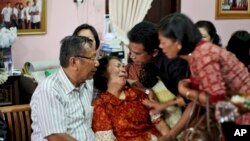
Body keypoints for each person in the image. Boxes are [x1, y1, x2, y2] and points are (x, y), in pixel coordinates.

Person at [157, 13, 250, 106]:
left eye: (163, 42)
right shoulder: (196, 53)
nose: (160, 46)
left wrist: (186, 92)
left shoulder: (203, 56)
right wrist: (189, 82)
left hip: (245, 104)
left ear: (178, 42)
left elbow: (217, 99)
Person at [126, 21, 191, 141]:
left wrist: (170, 135)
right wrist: (147, 91)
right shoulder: (153, 61)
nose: (131, 56)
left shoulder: (174, 64)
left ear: (154, 52)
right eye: (130, 51)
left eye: (137, 53)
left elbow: (193, 101)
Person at [30, 36, 99, 141]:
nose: (96, 63)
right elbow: (56, 137)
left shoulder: (87, 81)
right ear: (74, 62)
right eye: (93, 58)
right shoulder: (50, 89)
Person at [92, 56, 170, 141]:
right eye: (118, 66)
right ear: (103, 73)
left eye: (123, 66)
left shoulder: (140, 95)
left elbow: (160, 125)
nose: (123, 69)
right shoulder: (101, 105)